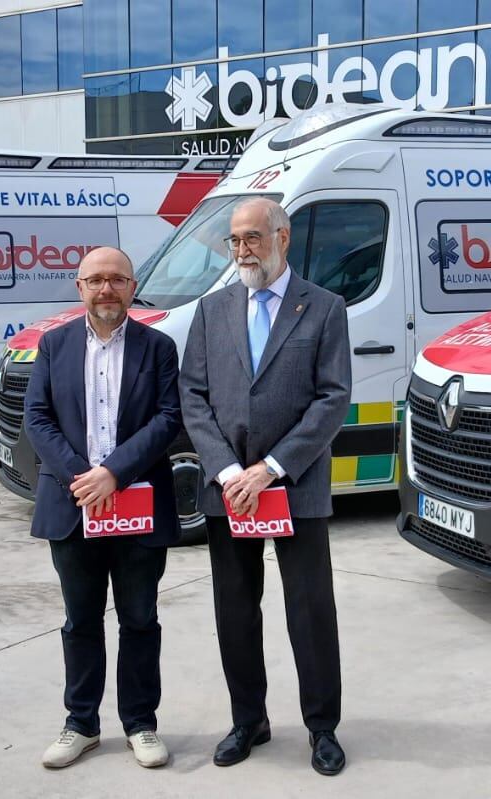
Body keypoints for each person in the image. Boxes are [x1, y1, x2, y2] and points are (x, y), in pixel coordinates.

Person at [179, 197, 352, 776]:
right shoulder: (211, 310)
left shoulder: (324, 307)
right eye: (235, 240)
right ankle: (248, 720)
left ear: (282, 237)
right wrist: (231, 472)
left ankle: (322, 727)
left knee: (309, 609)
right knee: (235, 609)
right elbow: (193, 397)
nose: (242, 250)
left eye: (252, 237)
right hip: (230, 489)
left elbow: (333, 398)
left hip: (293, 484)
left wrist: (271, 468)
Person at [24, 247, 183, 770]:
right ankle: (81, 725)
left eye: (116, 279)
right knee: (80, 622)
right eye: (95, 280)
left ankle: (140, 723)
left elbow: (168, 418)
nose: (106, 289)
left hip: (137, 504)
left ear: (132, 287)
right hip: (74, 507)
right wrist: (83, 478)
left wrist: (114, 472)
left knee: (140, 619)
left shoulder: (158, 347)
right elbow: (37, 417)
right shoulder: (54, 345)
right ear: (80, 288)